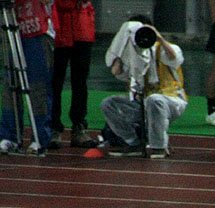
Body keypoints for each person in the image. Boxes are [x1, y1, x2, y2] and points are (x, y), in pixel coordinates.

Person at [101, 16, 188, 159]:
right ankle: (133, 142)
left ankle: (158, 147)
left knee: (155, 100)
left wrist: (159, 38)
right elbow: (117, 72)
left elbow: (174, 57)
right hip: (144, 104)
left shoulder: (164, 49)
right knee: (109, 104)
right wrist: (121, 52)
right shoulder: (134, 55)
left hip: (172, 100)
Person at [0, 0, 54, 156]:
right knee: (10, 85)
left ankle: (40, 137)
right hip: (10, 30)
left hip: (37, 32)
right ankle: (9, 136)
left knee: (38, 88)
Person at [50, 0, 98, 148]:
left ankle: (79, 127)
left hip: (82, 28)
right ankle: (53, 127)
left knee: (80, 82)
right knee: (54, 82)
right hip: (58, 28)